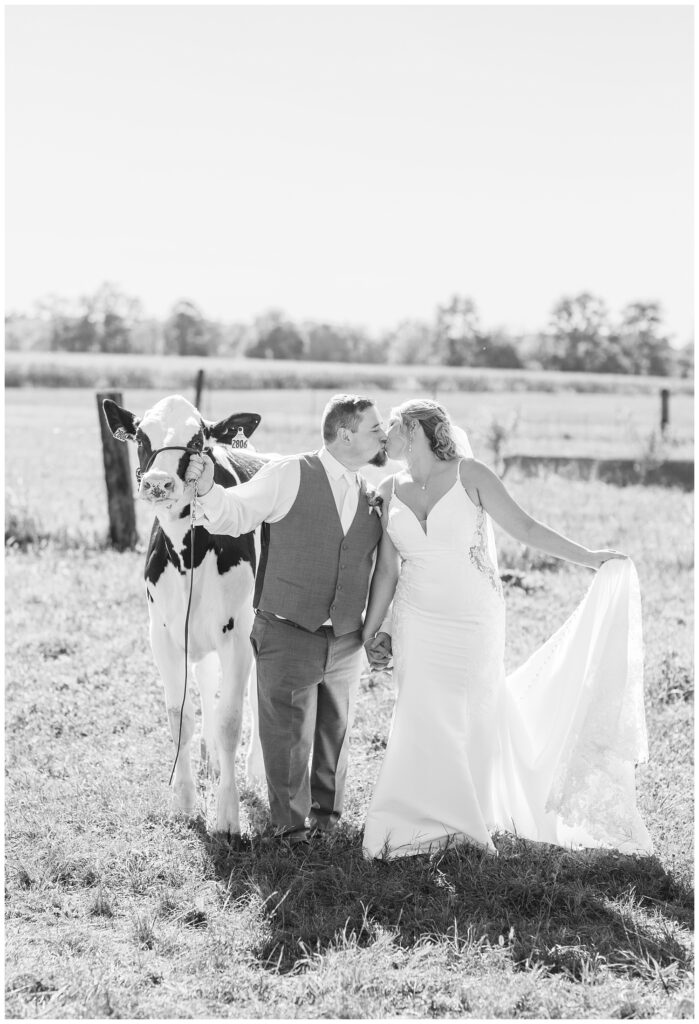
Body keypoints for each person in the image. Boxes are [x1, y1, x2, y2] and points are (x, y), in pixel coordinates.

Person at [361, 398, 653, 860]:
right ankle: (411, 818)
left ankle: (468, 816)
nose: (382, 439)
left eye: (389, 430)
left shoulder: (471, 475)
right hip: (417, 617)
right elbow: (386, 570)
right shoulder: (389, 487)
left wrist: (592, 558)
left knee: (471, 712)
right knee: (419, 710)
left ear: (412, 429)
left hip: (473, 617)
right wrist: (371, 629)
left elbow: (526, 528)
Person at [186, 394, 389, 847]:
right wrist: (204, 489)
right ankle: (291, 830)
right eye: (376, 428)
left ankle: (327, 820)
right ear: (345, 433)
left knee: (335, 732)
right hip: (288, 627)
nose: (384, 436)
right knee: (288, 736)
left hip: (345, 637)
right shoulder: (291, 472)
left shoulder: (372, 494)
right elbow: (235, 513)